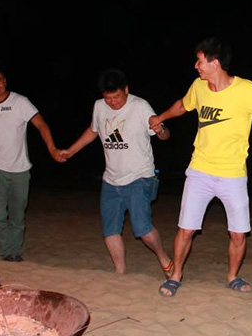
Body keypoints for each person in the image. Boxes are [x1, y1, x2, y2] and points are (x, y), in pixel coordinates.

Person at [148, 37, 252, 297]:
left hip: (232, 174)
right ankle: (175, 275)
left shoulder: (245, 89)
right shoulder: (198, 87)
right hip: (200, 170)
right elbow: (182, 105)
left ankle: (232, 276)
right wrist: (161, 117)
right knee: (186, 229)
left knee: (238, 234)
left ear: (215, 63)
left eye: (199, 61)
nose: (196, 66)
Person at [57, 69, 173, 275]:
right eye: (108, 98)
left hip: (139, 177)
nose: (112, 102)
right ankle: (119, 272)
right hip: (111, 179)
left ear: (126, 90)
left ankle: (163, 257)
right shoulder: (99, 106)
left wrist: (160, 129)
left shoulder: (140, 106)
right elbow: (93, 131)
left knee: (143, 229)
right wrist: (71, 151)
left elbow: (165, 136)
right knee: (110, 230)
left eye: (117, 97)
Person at [0, 63, 61, 262]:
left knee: (17, 214)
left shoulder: (20, 102)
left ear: (5, 82)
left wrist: (52, 149)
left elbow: (41, 125)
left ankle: (15, 251)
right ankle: (7, 252)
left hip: (20, 169)